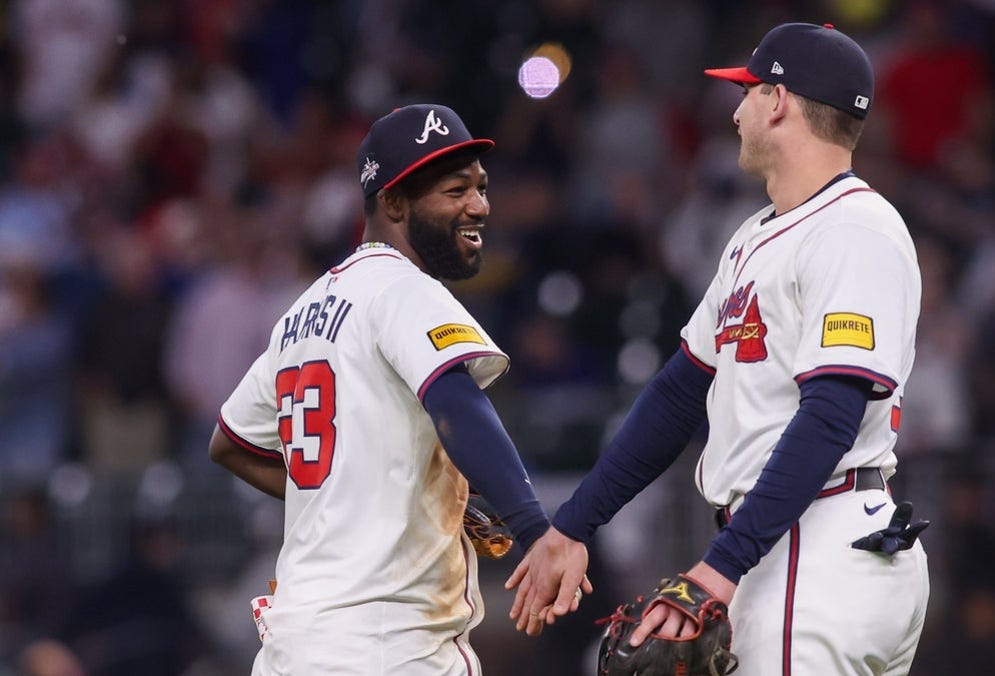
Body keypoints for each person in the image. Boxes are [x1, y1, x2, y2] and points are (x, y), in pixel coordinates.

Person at [507, 22, 930, 674]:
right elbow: (679, 393)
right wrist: (573, 526)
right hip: (784, 545)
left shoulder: (853, 228)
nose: (734, 112)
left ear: (780, 101)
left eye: (748, 94)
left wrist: (721, 569)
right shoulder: (754, 237)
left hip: (815, 544)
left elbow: (831, 414)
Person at [209, 103, 564, 675]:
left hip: (294, 644)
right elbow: (454, 403)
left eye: (480, 187)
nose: (479, 205)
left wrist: (357, 499)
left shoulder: (305, 310)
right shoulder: (403, 288)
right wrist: (535, 530)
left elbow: (230, 444)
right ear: (394, 202)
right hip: (389, 644)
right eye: (455, 190)